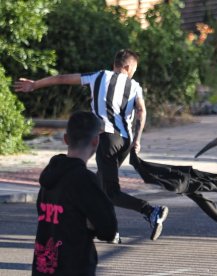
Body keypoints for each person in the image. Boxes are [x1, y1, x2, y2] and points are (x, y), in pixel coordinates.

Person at [14, 49, 168, 242]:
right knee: (100, 185)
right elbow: (141, 112)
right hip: (125, 142)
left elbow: (62, 78)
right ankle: (101, 229)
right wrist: (137, 139)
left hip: (107, 138)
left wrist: (35, 84)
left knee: (110, 191)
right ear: (128, 67)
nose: (133, 73)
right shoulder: (135, 86)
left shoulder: (98, 76)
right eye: (134, 69)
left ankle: (151, 211)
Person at [32, 111, 117, 275]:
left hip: (43, 269)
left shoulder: (49, 176)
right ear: (96, 141)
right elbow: (108, 229)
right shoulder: (84, 180)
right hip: (74, 267)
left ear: (66, 139)